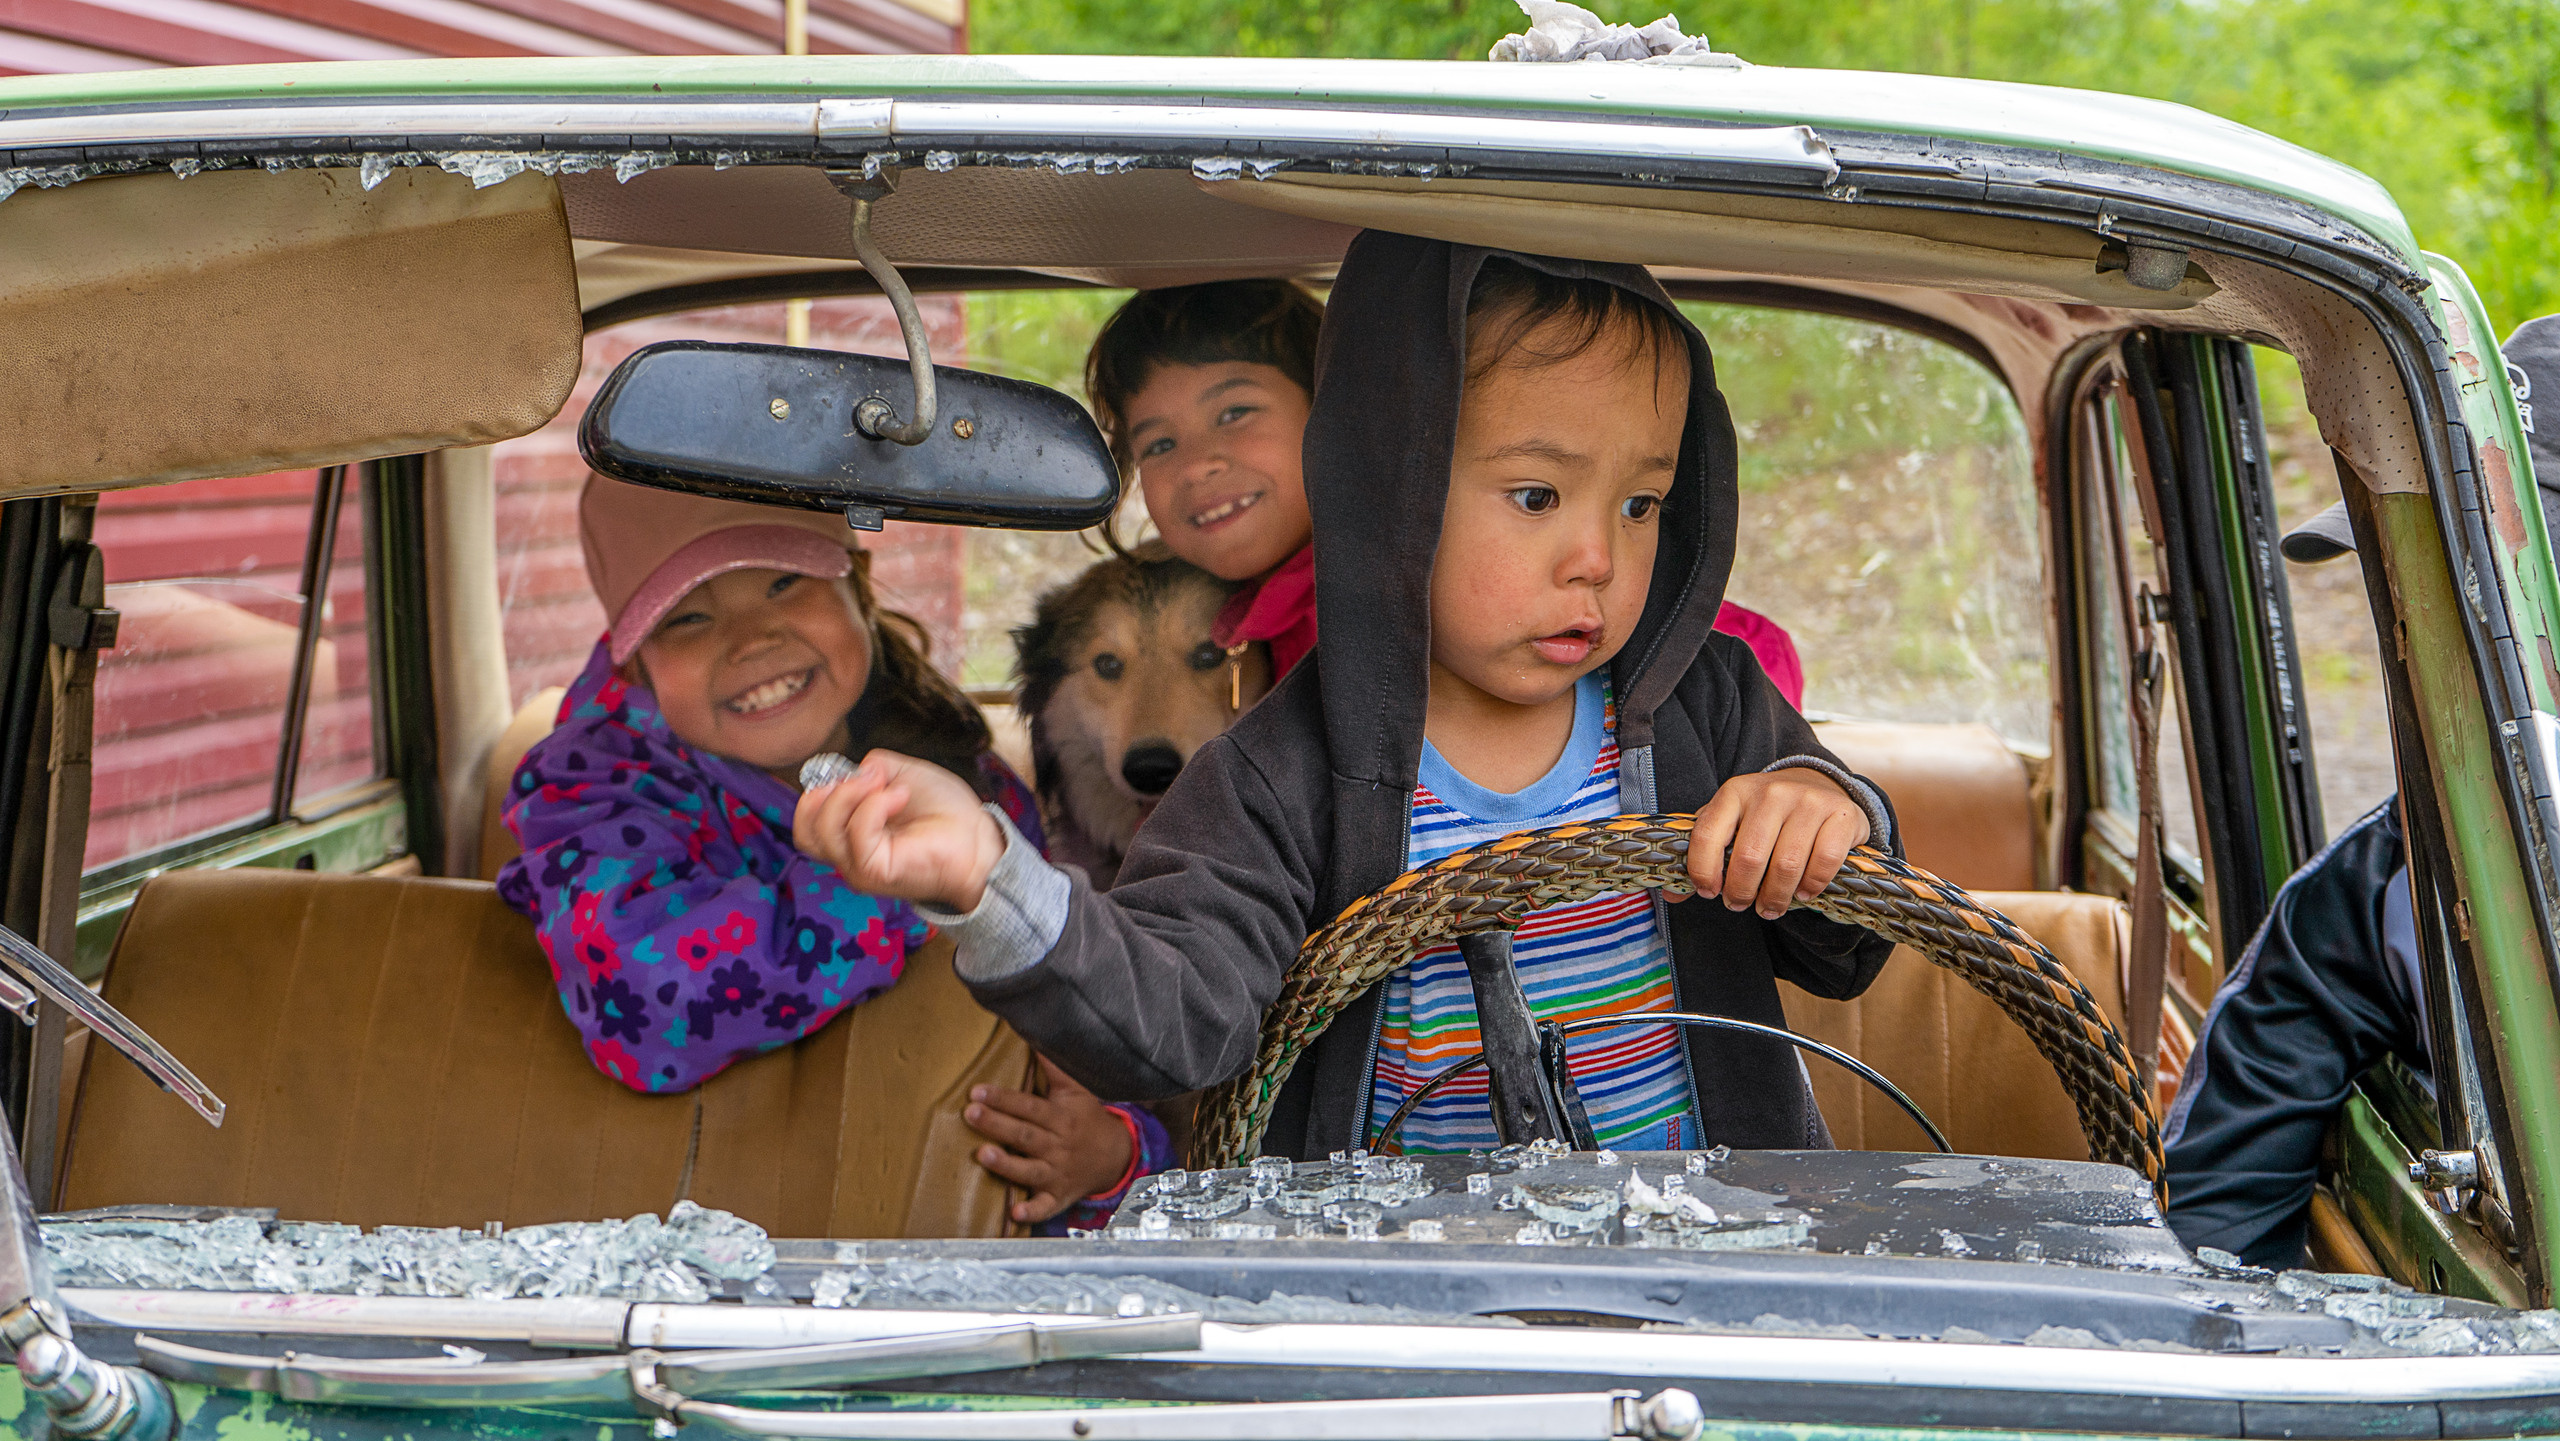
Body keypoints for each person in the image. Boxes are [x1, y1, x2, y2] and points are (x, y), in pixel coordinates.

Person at [797, 234, 1900, 1159]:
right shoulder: (1278, 768)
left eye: (1642, 503)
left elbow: (1844, 946)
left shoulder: (1709, 704)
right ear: (1389, 486)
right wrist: (994, 882)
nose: (1596, 559)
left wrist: (1824, 814)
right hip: (1401, 1312)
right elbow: (1178, 1017)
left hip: (1717, 1274)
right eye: (1535, 494)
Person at [497, 476, 1174, 1227]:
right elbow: (649, 1000)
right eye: (687, 619)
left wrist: (1115, 1154)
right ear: (634, 666)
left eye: (785, 582)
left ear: (857, 581)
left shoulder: (957, 772)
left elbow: (1072, 1035)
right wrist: (911, 882)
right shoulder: (588, 792)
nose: (751, 638)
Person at [2164, 313, 2560, 1267]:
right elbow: (2222, 1219)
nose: (2422, 638)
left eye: (2474, 592)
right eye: (2407, 581)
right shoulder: (2394, 877)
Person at [1085, 280, 1808, 705]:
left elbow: (1743, 650)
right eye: (1158, 444)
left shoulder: (1404, 582)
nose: (1200, 463)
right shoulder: (1239, 617)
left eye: (1234, 413)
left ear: (1340, 420)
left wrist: (1758, 741)